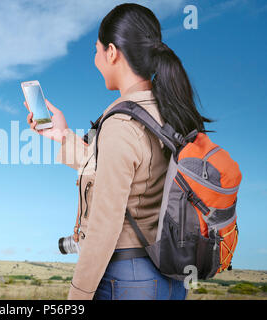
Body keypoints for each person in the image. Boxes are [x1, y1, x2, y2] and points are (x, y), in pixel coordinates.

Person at [24, 3, 211, 300]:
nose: (96, 60)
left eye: (96, 50)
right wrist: (61, 135)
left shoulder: (123, 124)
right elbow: (126, 171)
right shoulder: (170, 111)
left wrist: (79, 295)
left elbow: (105, 225)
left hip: (129, 279)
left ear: (112, 52)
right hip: (172, 278)